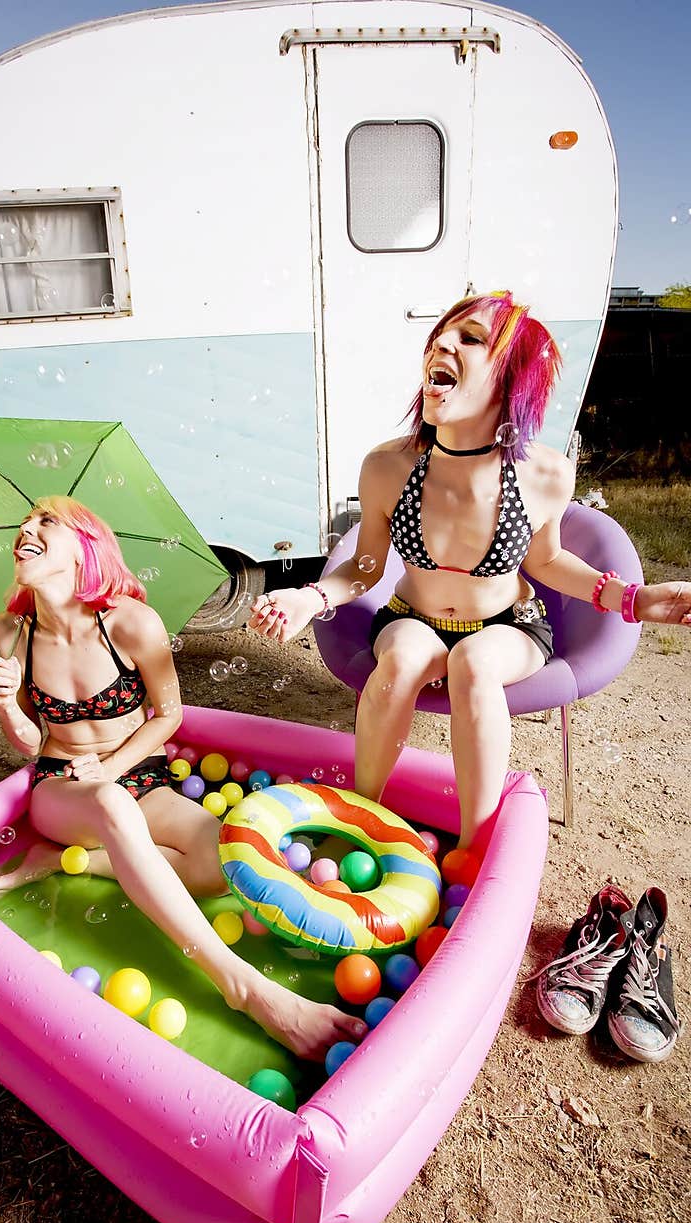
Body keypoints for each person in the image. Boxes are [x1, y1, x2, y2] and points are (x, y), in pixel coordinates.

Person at [250, 290, 691, 855]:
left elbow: (547, 560)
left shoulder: (544, 473)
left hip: (509, 625)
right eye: (441, 335)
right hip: (411, 616)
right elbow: (364, 567)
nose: (442, 342)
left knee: (474, 661)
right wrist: (310, 599)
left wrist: (634, 599)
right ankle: (361, 819)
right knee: (405, 657)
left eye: (471, 339)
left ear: (510, 377)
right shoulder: (388, 466)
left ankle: (474, 846)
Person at [0, 494, 366, 1061]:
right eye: (25, 520)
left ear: (87, 545)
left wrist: (110, 765)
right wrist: (8, 705)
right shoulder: (11, 632)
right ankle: (245, 990)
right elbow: (34, 743)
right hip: (62, 787)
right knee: (110, 805)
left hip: (141, 777)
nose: (25, 528)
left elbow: (170, 716)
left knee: (219, 863)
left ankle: (69, 860)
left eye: (46, 520)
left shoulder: (132, 623)